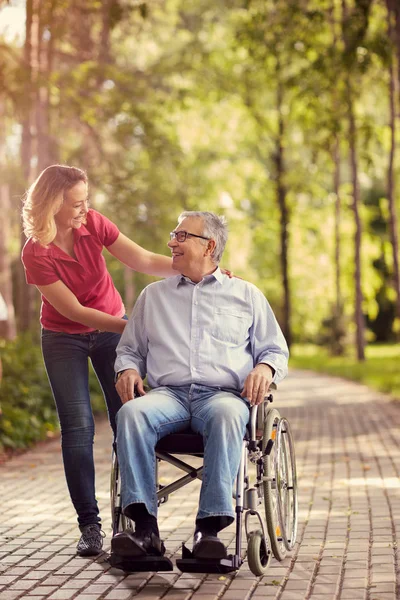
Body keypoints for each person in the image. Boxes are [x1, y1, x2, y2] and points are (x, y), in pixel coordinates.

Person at [112, 211, 289, 561]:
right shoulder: (153, 297)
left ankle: (208, 532)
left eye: (180, 236)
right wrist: (128, 369)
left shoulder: (246, 295)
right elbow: (129, 350)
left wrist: (265, 367)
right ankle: (145, 532)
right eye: (172, 234)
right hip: (168, 396)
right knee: (131, 414)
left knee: (226, 416)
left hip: (223, 396)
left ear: (209, 246)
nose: (171, 243)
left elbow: (274, 349)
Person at [21, 164, 176, 557]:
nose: (83, 209)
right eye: (75, 203)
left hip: (111, 329)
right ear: (52, 204)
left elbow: (140, 259)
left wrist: (191, 266)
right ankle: (89, 526)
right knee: (78, 428)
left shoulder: (93, 223)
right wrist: (133, 326)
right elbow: (73, 311)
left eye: (86, 200)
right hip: (63, 336)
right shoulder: (35, 251)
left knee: (131, 416)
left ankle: (137, 511)